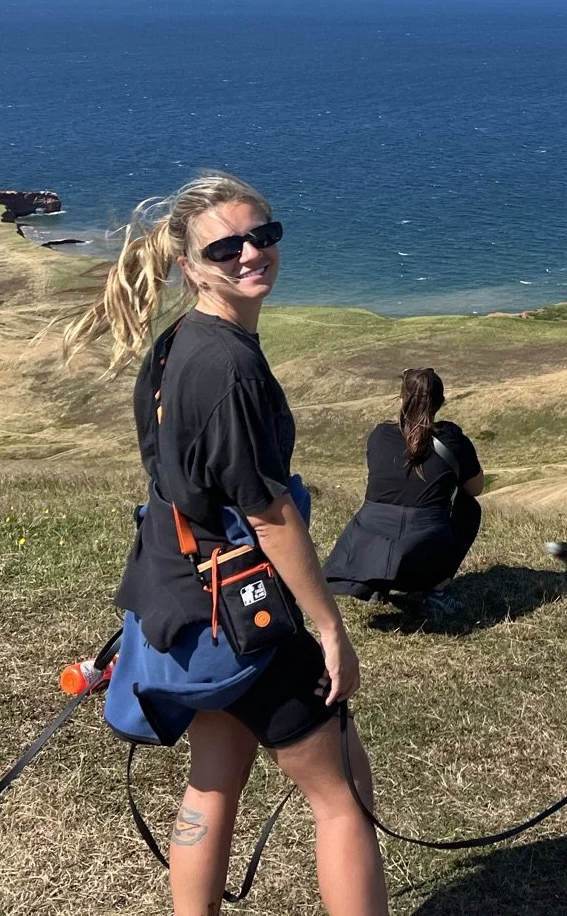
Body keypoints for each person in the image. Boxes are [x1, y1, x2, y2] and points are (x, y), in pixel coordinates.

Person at [65, 171, 385, 916]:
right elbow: (269, 515)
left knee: (213, 783)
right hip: (243, 615)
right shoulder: (229, 364)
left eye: (262, 236)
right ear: (189, 264)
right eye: (227, 246)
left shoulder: (178, 344)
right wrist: (332, 631)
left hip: (184, 606)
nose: (251, 254)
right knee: (343, 796)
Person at [324, 367, 485, 609]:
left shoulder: (378, 436)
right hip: (420, 562)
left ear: (401, 399)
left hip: (364, 556)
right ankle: (437, 592)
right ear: (440, 402)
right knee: (469, 508)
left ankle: (378, 585)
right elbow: (476, 488)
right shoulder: (452, 440)